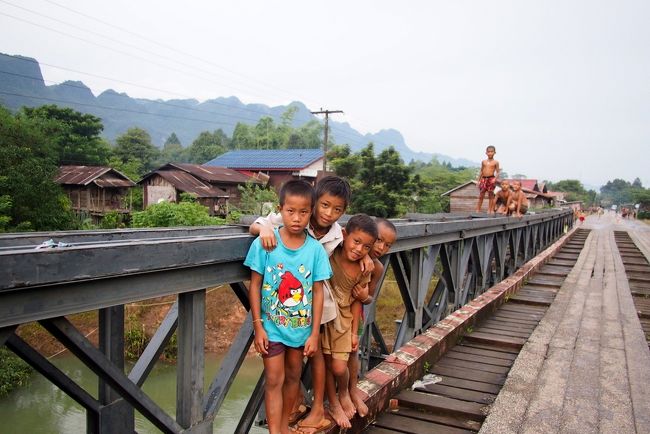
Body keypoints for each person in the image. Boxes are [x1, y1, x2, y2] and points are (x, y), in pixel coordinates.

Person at [250, 176, 372, 433]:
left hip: (319, 310)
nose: (329, 213)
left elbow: (357, 242)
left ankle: (322, 406)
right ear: (315, 202)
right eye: (325, 206)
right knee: (282, 375)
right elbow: (262, 223)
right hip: (282, 317)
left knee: (317, 359)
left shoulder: (337, 234)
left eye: (337, 209)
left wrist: (368, 255)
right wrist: (263, 229)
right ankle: (290, 421)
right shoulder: (290, 219)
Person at [244, 180, 332, 434]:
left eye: (303, 212)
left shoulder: (315, 250)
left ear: (311, 212)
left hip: (301, 330)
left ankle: (283, 427)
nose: (296, 218)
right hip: (271, 329)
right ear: (280, 209)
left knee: (293, 378)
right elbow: (254, 285)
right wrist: (258, 326)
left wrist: (314, 333)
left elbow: (317, 292)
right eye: (290, 211)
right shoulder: (266, 243)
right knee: (274, 380)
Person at [321, 214, 378, 429]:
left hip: (344, 321)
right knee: (326, 364)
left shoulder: (364, 268)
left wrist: (354, 332)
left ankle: (345, 392)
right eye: (356, 242)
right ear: (344, 235)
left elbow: (357, 301)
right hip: (323, 316)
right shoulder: (330, 251)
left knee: (338, 366)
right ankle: (334, 403)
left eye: (366, 247)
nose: (359, 249)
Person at [347, 218, 397, 418]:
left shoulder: (377, 267)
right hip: (333, 312)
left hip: (354, 315)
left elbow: (370, 298)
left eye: (388, 245)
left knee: (352, 352)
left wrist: (363, 296)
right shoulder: (350, 250)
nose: (382, 247)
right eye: (379, 240)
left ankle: (352, 390)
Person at [476, 145, 500, 214]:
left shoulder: (496, 162)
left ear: (494, 152)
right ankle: (478, 209)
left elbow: (498, 172)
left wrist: (495, 179)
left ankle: (490, 210)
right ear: (486, 153)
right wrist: (478, 181)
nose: (490, 153)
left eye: (491, 152)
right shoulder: (483, 162)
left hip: (491, 178)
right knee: (481, 194)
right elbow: (481, 171)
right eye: (488, 152)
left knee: (491, 194)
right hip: (484, 179)